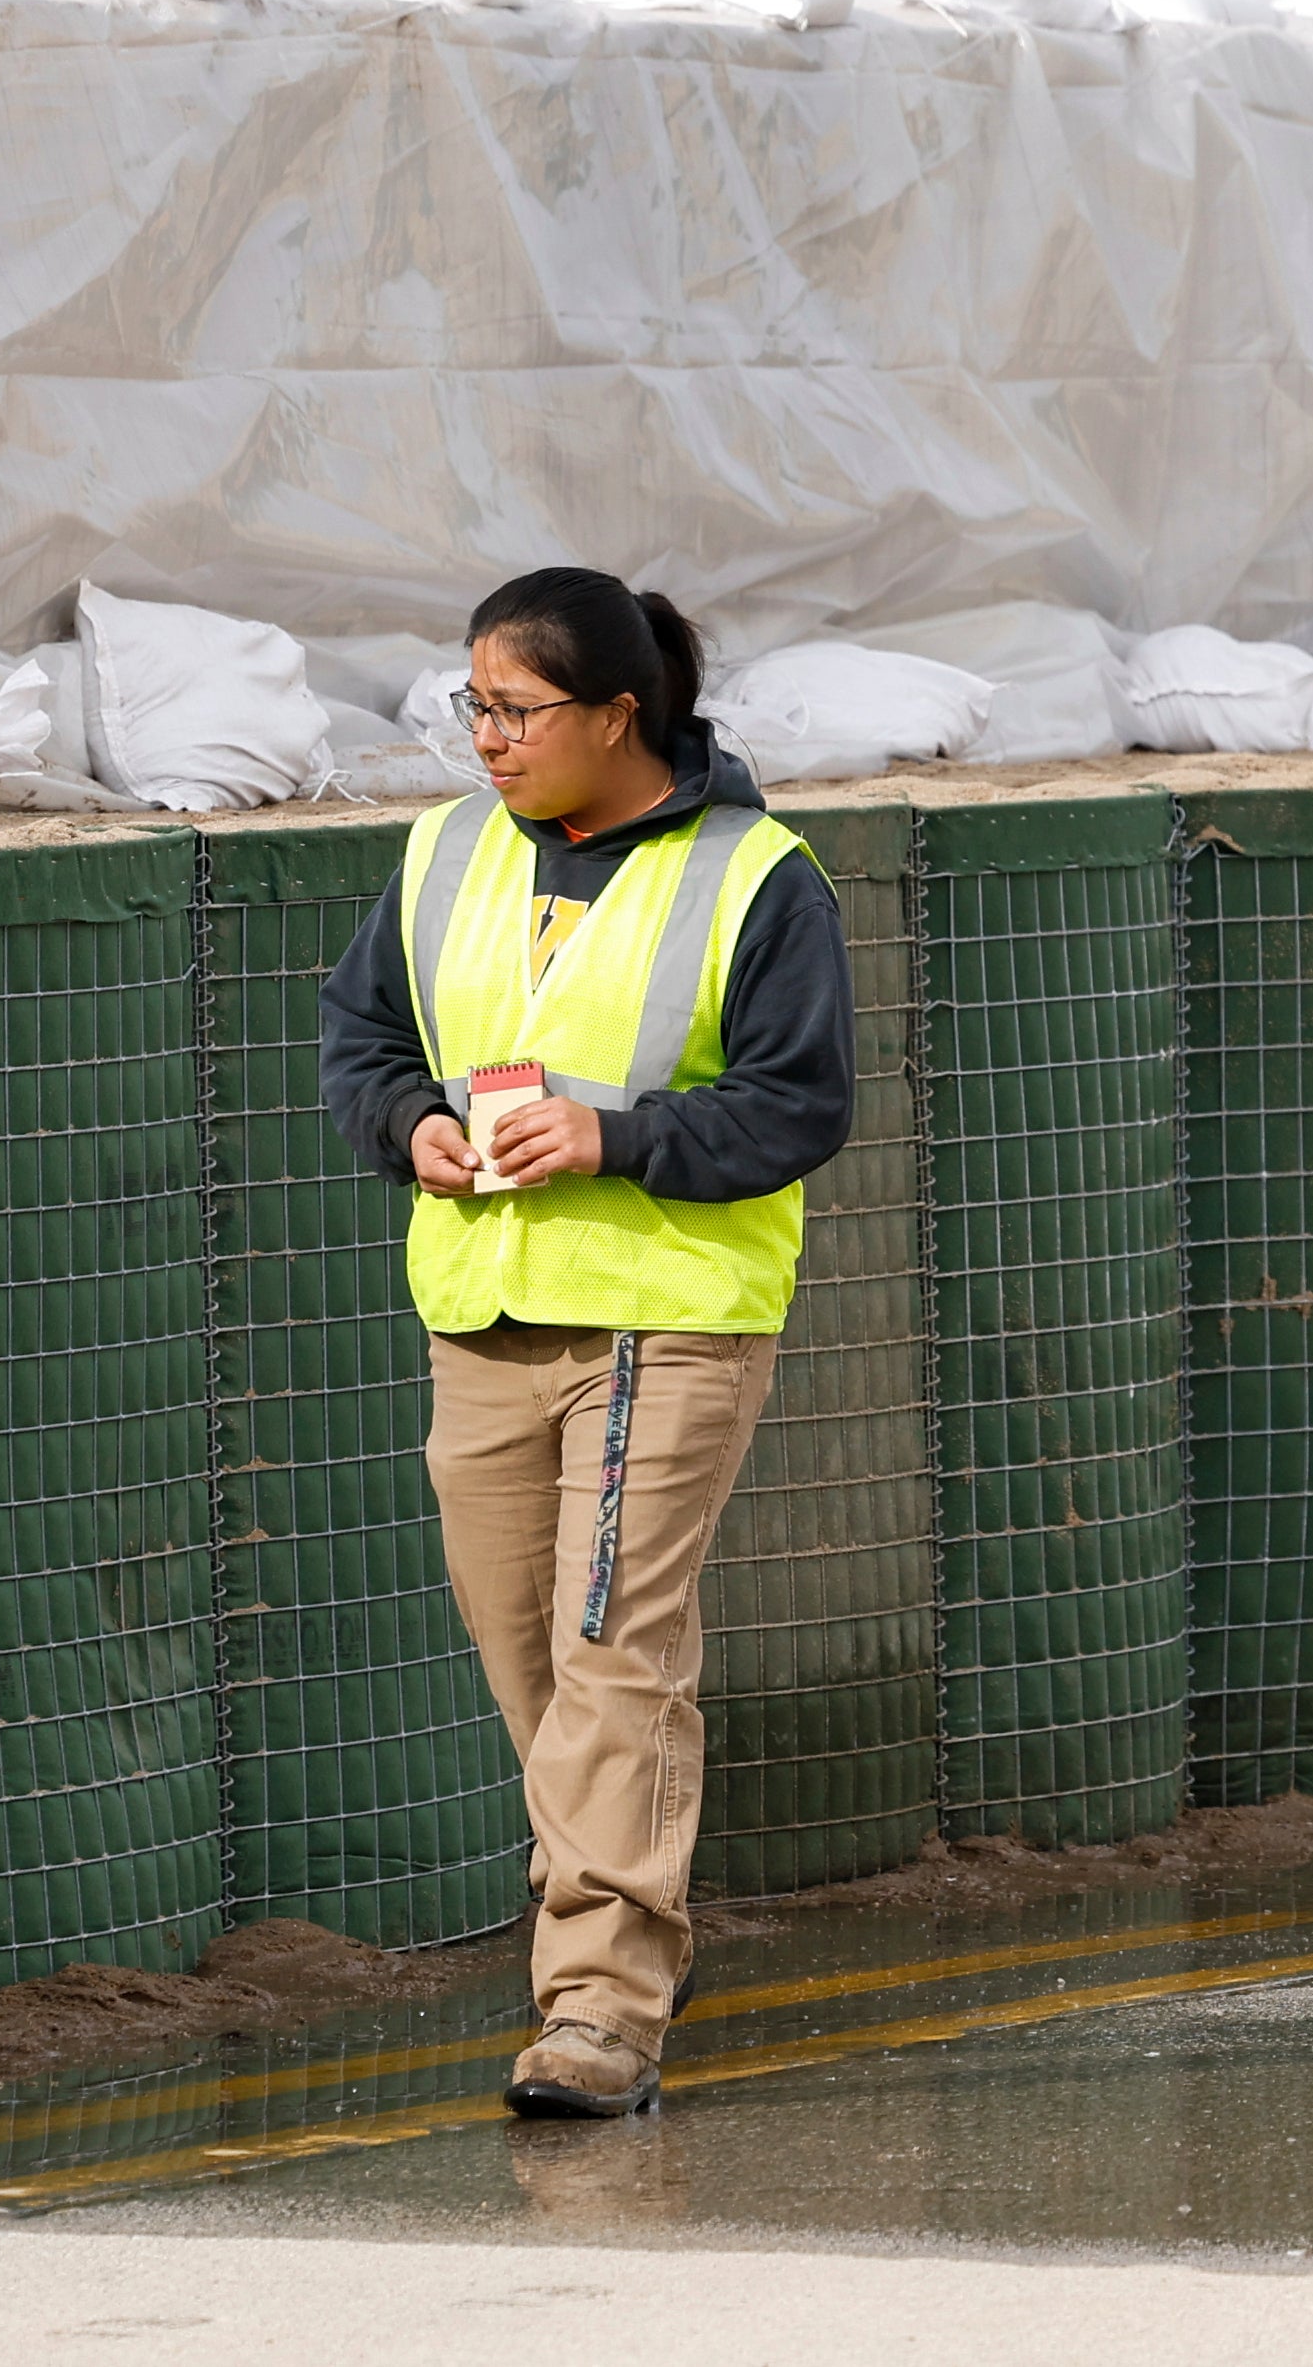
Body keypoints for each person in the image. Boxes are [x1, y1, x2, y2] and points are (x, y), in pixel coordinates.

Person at [314, 566, 853, 2119]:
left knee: (615, 1655)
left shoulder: (761, 877)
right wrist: (408, 1121)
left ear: (620, 715)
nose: (483, 738)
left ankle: (600, 2008)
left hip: (662, 1325)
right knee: (531, 1668)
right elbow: (363, 1037)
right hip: (481, 1314)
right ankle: (631, 1927)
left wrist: (613, 1137)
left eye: (515, 709)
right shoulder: (438, 855)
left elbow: (802, 1102)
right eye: (470, 705)